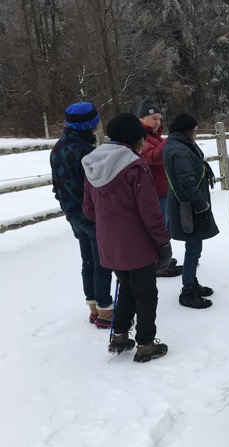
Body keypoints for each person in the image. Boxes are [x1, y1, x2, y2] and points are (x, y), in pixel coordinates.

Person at [82, 113, 170, 363]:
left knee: (127, 289)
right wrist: (163, 242)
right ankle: (145, 344)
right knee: (146, 294)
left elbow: (88, 209)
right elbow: (150, 211)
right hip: (137, 244)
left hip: (110, 244)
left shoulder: (92, 164)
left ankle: (119, 336)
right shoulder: (134, 165)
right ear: (135, 139)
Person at [50, 101, 114, 328]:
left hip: (73, 216)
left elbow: (57, 186)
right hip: (92, 217)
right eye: (95, 123)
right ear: (89, 126)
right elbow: (96, 187)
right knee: (102, 264)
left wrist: (67, 208)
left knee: (87, 261)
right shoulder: (87, 152)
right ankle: (106, 311)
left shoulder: (57, 148)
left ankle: (93, 307)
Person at [164, 113, 219, 309]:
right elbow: (187, 183)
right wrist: (201, 204)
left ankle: (191, 282)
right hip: (188, 207)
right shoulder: (180, 151)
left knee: (194, 246)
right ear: (185, 130)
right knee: (193, 247)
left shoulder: (181, 146)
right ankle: (188, 290)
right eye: (193, 129)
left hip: (188, 205)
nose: (195, 132)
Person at [137, 97, 183, 277]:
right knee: (159, 227)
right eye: (153, 118)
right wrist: (169, 140)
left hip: (165, 189)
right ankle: (158, 266)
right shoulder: (141, 138)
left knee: (167, 226)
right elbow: (152, 158)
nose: (158, 122)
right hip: (154, 191)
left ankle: (162, 259)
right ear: (142, 119)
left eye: (159, 118)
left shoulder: (156, 137)